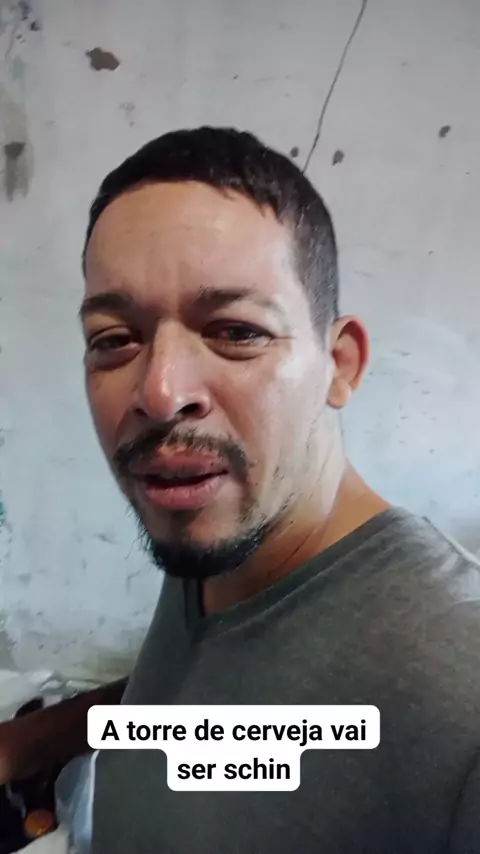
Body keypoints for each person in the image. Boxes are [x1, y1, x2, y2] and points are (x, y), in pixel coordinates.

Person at [1, 127, 479, 853]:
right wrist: (31, 741)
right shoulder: (219, 530)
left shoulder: (459, 693)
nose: (161, 393)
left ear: (340, 365)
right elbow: (222, 702)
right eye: (114, 339)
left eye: (235, 331)